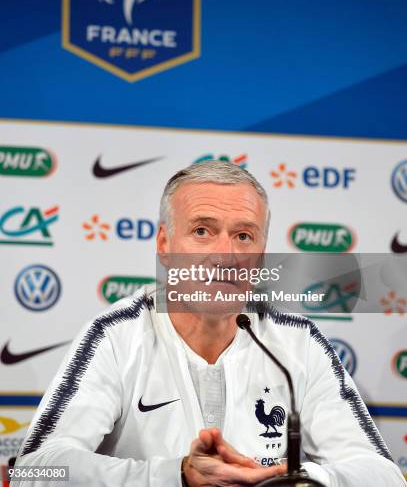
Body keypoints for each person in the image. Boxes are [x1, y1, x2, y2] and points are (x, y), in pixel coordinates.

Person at [12, 161, 406, 486]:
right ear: (164, 245)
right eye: (202, 231)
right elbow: (36, 470)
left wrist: (295, 481)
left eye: (244, 236)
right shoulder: (117, 335)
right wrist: (174, 476)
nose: (225, 255)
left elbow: (386, 476)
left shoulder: (297, 342)